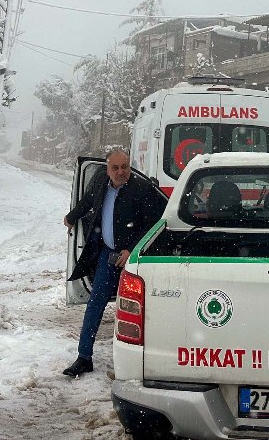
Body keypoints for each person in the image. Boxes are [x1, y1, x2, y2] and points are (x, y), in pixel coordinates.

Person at [62, 149, 166, 377]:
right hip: (107, 257)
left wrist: (132, 249)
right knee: (95, 303)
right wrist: (72, 217)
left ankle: (147, 360)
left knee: (138, 310)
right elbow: (88, 201)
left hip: (134, 261)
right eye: (115, 168)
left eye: (125, 167)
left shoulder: (141, 189)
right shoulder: (100, 182)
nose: (121, 172)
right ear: (107, 169)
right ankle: (84, 357)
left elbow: (154, 224)